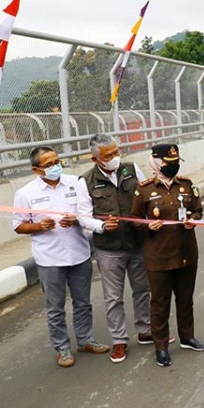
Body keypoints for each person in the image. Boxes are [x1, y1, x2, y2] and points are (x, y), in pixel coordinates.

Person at [12, 147, 109, 367]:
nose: (55, 166)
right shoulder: (26, 193)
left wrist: (75, 220)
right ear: (36, 170)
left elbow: (88, 214)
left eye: (57, 161)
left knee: (83, 303)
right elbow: (18, 225)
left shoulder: (75, 183)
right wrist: (38, 226)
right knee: (55, 308)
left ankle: (85, 340)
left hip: (79, 254)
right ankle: (62, 348)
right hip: (50, 260)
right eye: (49, 164)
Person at [76, 134, 159, 363]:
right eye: (108, 155)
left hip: (137, 243)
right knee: (113, 297)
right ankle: (119, 341)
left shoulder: (131, 170)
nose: (114, 158)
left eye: (116, 152)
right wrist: (102, 226)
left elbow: (147, 197)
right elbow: (83, 218)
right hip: (109, 249)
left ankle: (145, 330)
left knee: (142, 289)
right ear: (96, 159)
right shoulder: (86, 181)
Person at [131, 144, 204, 367]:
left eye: (175, 163)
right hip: (159, 256)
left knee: (185, 299)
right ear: (155, 162)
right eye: (167, 163)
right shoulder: (143, 190)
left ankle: (187, 337)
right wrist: (147, 226)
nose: (172, 167)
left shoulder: (186, 185)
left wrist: (194, 218)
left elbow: (198, 209)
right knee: (160, 303)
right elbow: (134, 220)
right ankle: (161, 346)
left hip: (186, 253)